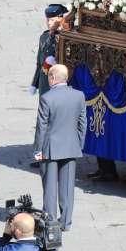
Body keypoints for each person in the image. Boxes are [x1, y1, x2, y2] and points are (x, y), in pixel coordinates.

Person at [33, 64, 86, 231]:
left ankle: (50, 221)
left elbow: (41, 127)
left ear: (53, 78)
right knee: (68, 187)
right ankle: (65, 222)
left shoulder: (47, 98)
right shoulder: (79, 96)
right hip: (71, 146)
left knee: (50, 187)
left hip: (50, 148)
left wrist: (37, 150)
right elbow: (82, 124)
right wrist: (79, 144)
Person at [29, 4, 68, 96]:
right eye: (48, 20)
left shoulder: (63, 38)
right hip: (44, 81)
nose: (49, 23)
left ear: (60, 19)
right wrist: (34, 84)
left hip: (57, 82)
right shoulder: (44, 36)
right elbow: (39, 64)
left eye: (52, 20)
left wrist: (55, 63)